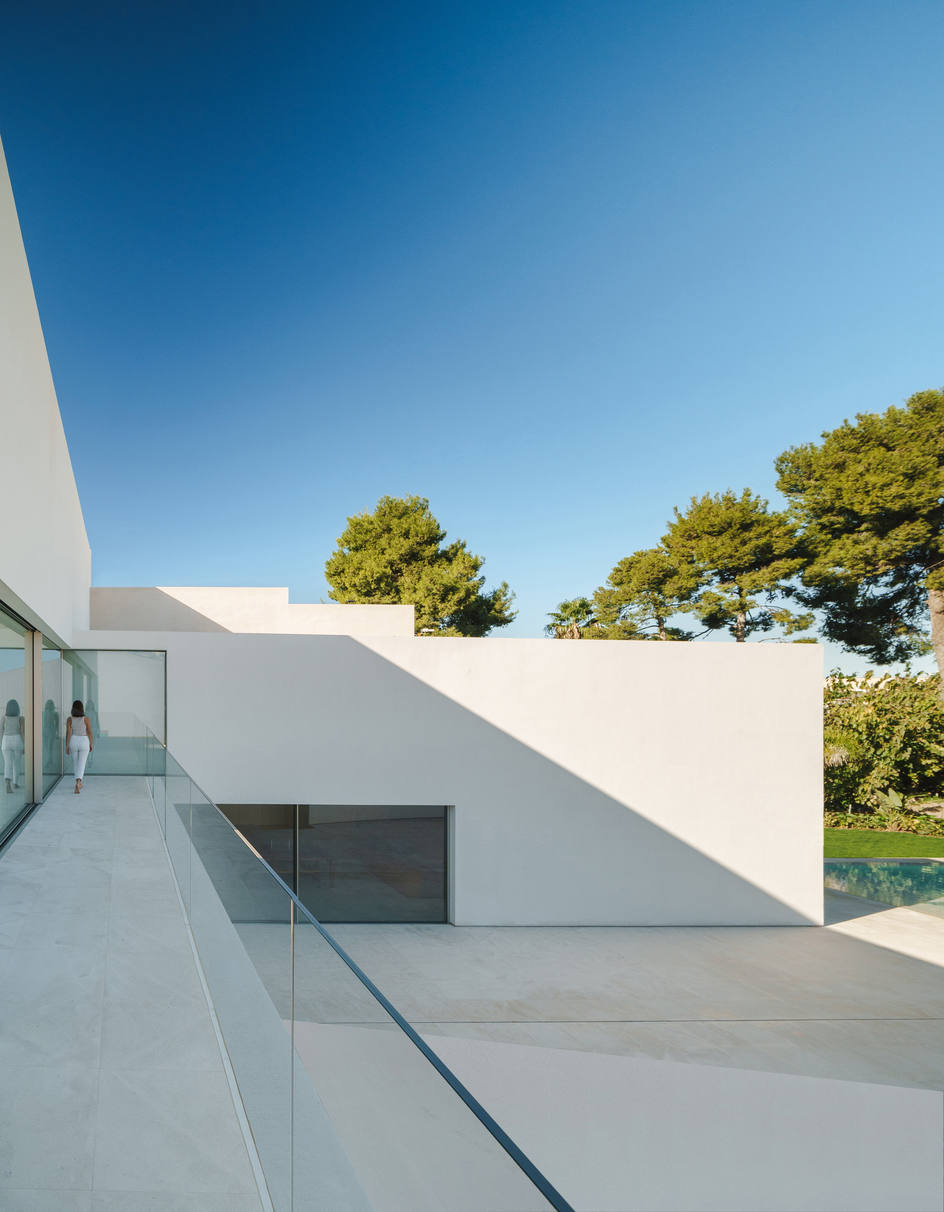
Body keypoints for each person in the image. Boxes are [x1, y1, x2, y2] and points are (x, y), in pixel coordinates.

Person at [66, 699, 93, 794]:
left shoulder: (69, 719)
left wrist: (67, 746)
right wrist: (91, 743)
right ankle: (79, 782)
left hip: (73, 740)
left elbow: (68, 733)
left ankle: (77, 782)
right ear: (82, 708)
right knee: (82, 763)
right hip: (84, 741)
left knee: (75, 763)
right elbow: (89, 732)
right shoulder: (86, 719)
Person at [2, 699, 24, 793]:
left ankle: (8, 784)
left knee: (8, 763)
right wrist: (25, 745)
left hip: (6, 740)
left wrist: (1, 742)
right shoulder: (21, 718)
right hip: (17, 739)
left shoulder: (4, 718)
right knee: (17, 763)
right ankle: (15, 783)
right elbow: (22, 732)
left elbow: (0, 730)